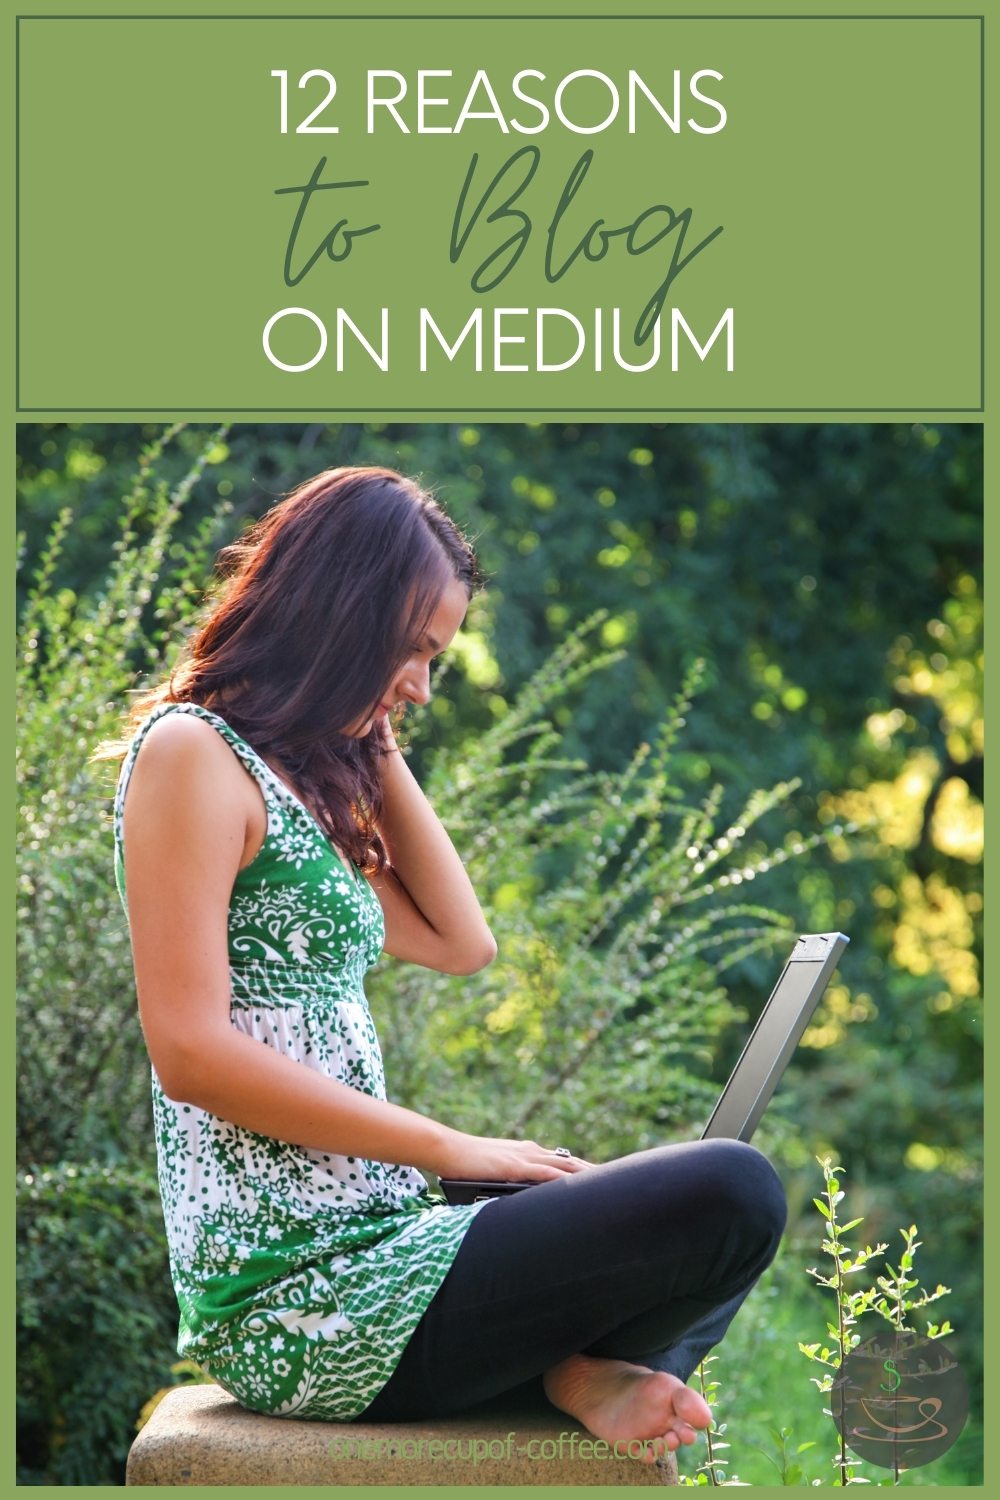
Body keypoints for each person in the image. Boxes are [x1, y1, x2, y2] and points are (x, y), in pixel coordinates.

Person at [107, 464, 786, 1464]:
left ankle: (578, 1371)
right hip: (296, 1298)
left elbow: (461, 941)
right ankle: (576, 1366)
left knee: (640, 1195)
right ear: (342, 613)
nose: (423, 686)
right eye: (414, 651)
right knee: (732, 1192)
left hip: (381, 1235)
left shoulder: (296, 788)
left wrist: (369, 730)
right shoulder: (190, 758)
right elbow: (190, 1053)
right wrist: (447, 1148)